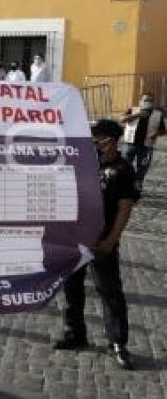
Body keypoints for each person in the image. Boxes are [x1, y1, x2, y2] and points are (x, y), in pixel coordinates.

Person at [54, 119, 136, 370]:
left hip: (102, 243)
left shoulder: (122, 169)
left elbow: (124, 208)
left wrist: (111, 240)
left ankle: (117, 342)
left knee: (110, 291)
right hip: (76, 240)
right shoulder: (85, 163)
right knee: (72, 288)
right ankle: (75, 333)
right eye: (93, 139)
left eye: (99, 138)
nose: (94, 143)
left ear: (112, 141)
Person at [120, 93, 165, 190]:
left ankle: (138, 183)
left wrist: (156, 133)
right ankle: (123, 184)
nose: (148, 103)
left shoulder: (158, 114)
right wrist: (138, 115)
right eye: (146, 100)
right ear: (140, 101)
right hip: (130, 144)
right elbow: (122, 119)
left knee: (143, 166)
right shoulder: (132, 110)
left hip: (146, 145)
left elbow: (163, 130)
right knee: (125, 165)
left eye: (151, 101)